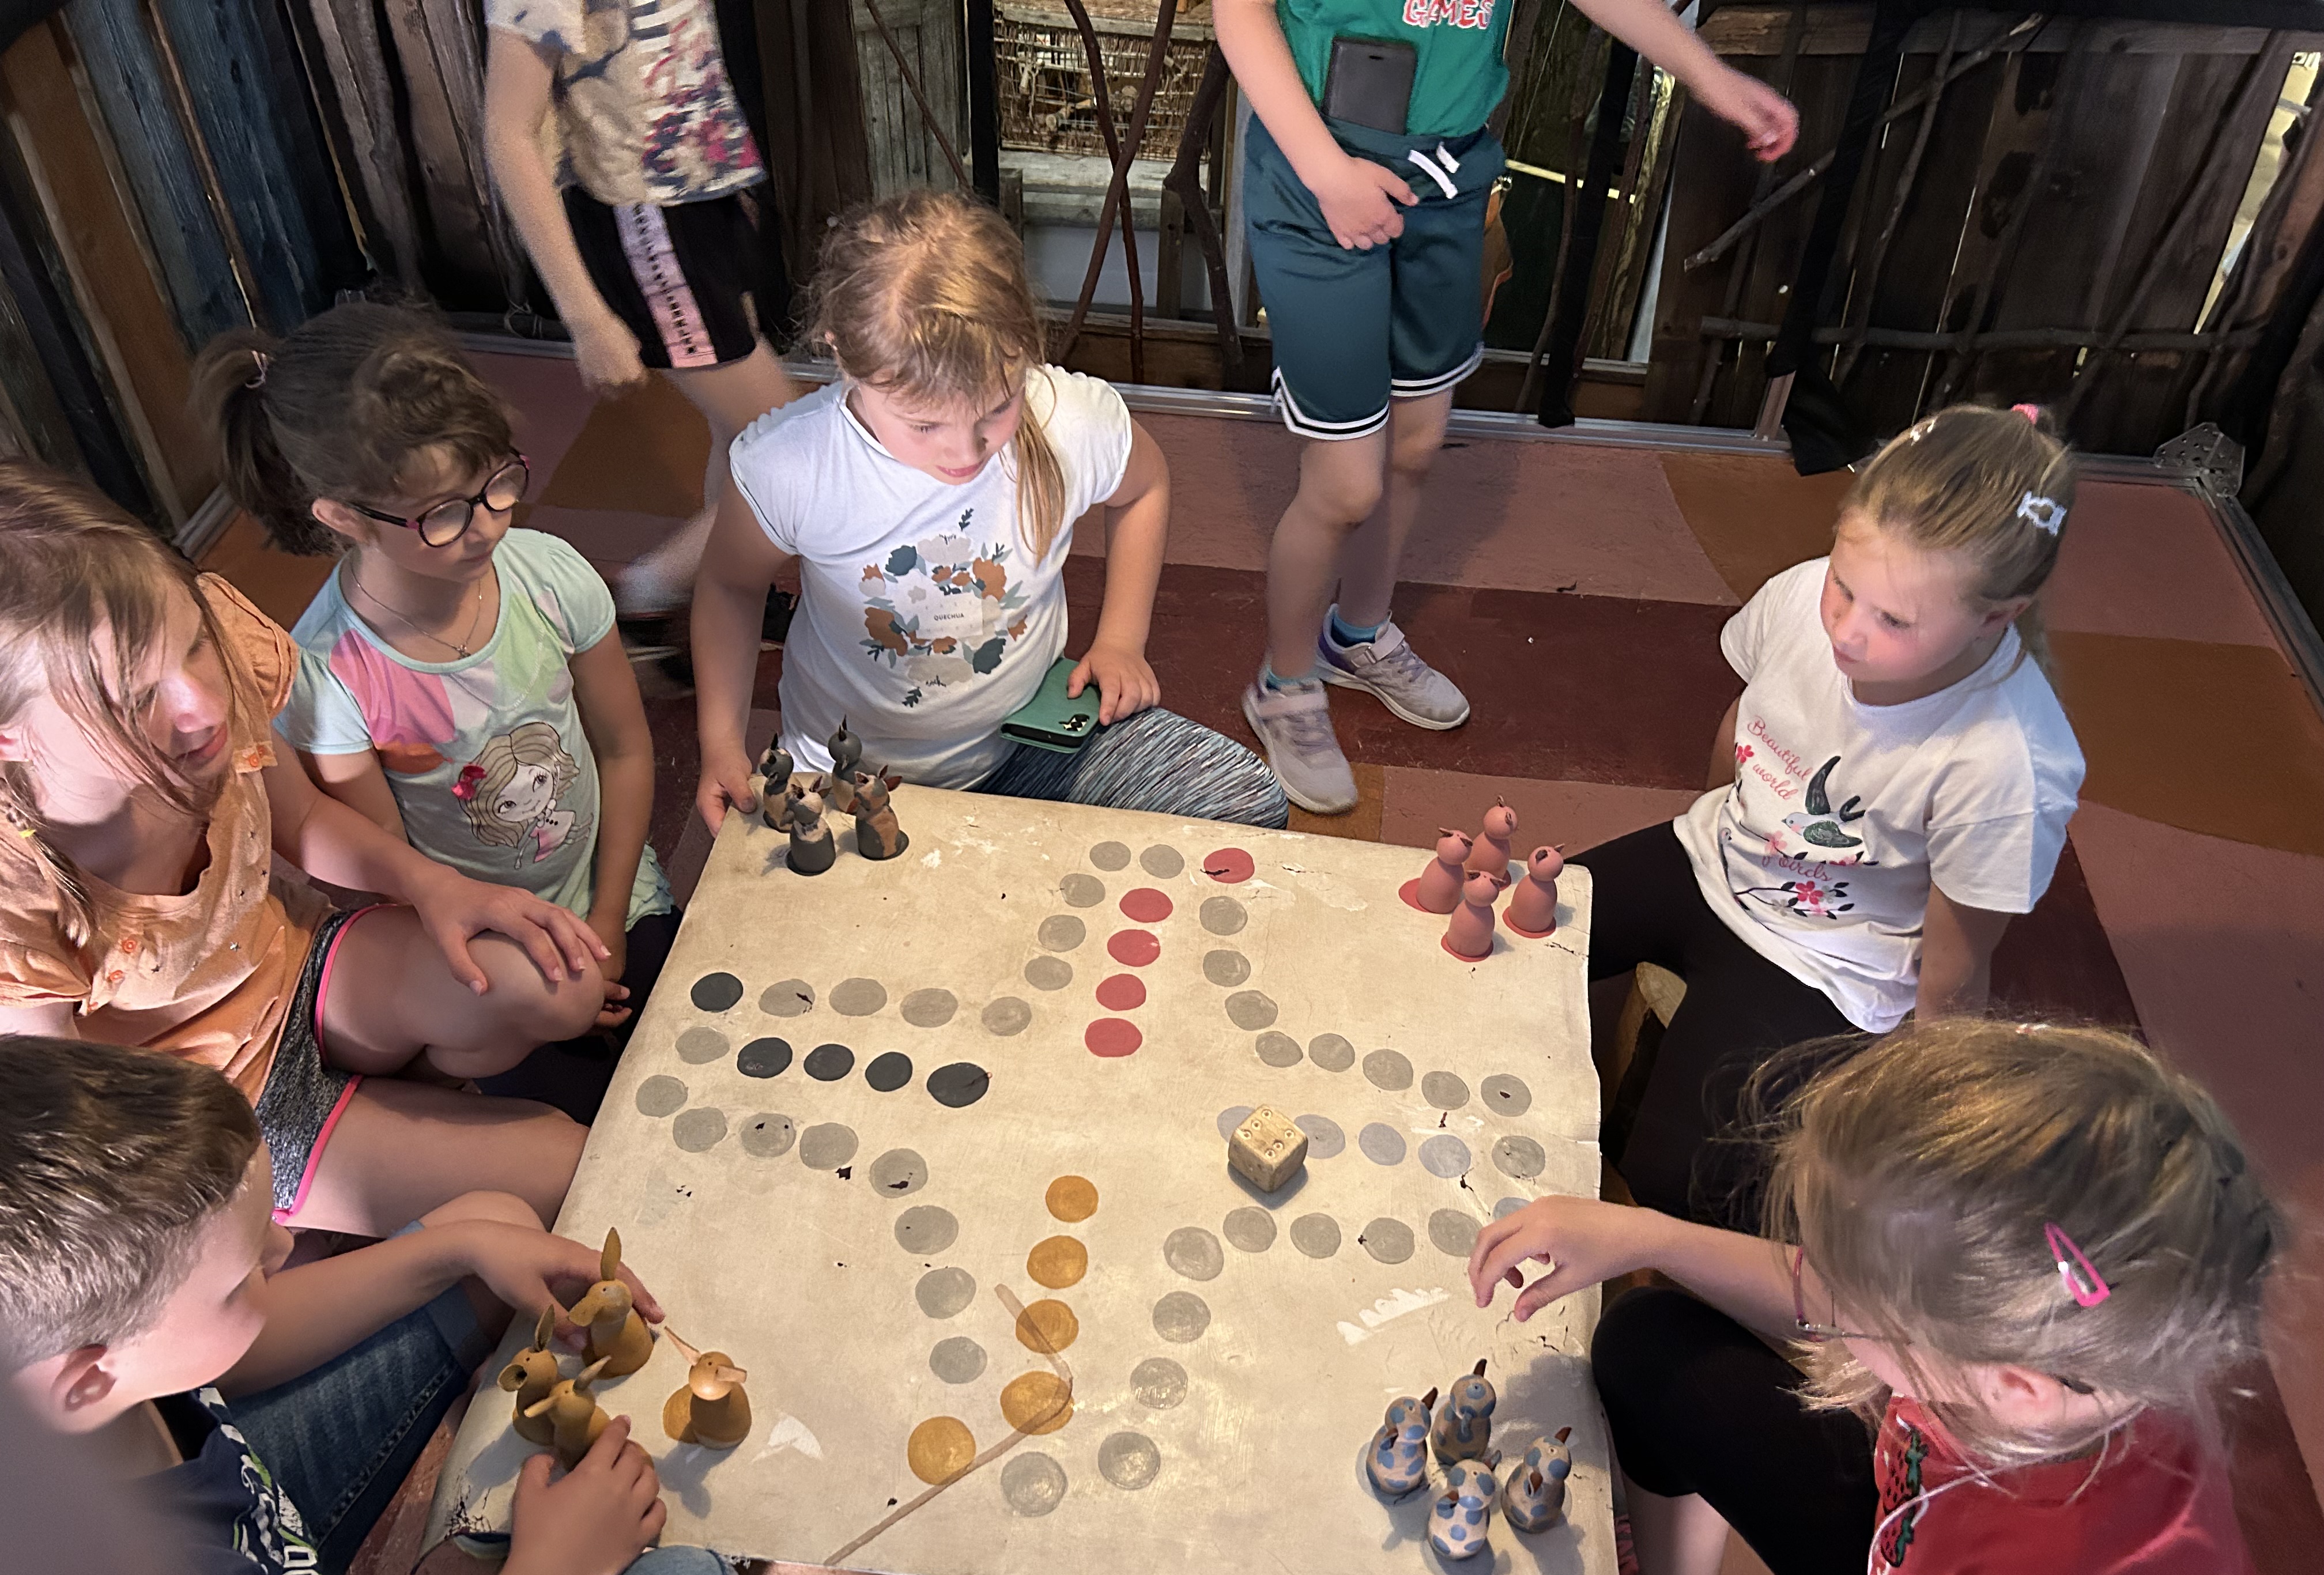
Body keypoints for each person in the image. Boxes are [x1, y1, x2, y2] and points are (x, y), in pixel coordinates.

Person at [1470, 1019, 2273, 1575]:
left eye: (1849, 1292)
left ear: (2008, 1380)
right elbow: (1844, 1303)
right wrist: (1651, 1238)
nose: (1816, 1286)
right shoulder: (2103, 1344)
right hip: (1927, 1548)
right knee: (1652, 1349)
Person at [0, 1035, 752, 1575]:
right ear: (87, 1379)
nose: (286, 1247)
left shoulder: (62, 1380)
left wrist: (462, 1247)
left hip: (255, 1565)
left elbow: (233, 1355)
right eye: (244, 1277)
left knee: (485, 1224)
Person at [1216, 0, 1800, 814]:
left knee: (1416, 444)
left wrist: (1709, 77)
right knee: (1346, 482)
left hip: (1450, 180)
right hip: (1319, 177)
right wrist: (1326, 172)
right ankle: (1284, 685)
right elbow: (1239, 11)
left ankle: (1357, 636)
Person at [0, 461, 606, 1233]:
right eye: (138, 698)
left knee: (558, 986)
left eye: (195, 645)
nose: (203, 705)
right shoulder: (15, 890)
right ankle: (342, 1178)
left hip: (300, 964)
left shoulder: (214, 661)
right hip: (216, 1107)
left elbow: (304, 817)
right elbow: (76, 1124)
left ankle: (388, 1125)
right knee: (571, 1171)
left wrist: (437, 887)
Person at [1574, 404, 2085, 1229]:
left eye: (1895, 621)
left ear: (1999, 616)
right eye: (1845, 587)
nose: (1846, 631)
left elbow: (1956, 970)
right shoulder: (1800, 594)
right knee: (1513, 928)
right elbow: (1742, 730)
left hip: (1829, 959)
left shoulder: (2009, 765)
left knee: (1678, 1182)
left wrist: (1921, 1108)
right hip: (1717, 854)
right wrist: (1702, 838)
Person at [198, 304, 675, 1122]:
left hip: (619, 893)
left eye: (498, 482)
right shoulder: (331, 674)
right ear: (342, 516)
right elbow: (392, 876)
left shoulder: (549, 575)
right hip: (488, 954)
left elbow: (626, 750)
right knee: (586, 1135)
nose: (486, 526)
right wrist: (533, 962)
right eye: (442, 514)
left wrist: (606, 916)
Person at [691, 190, 1289, 830]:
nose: (965, 452)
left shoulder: (1067, 421)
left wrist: (1121, 640)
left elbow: (1144, 487)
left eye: (997, 409)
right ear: (843, 357)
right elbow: (730, 586)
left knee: (1247, 802)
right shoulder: (791, 464)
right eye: (924, 425)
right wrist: (720, 740)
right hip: (849, 773)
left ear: (1024, 351)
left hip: (1030, 742)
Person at [483, 0, 799, 621]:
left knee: (742, 436)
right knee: (793, 454)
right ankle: (645, 602)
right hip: (646, 218)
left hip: (703, 189)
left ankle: (725, 592)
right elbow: (508, 133)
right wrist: (586, 318)